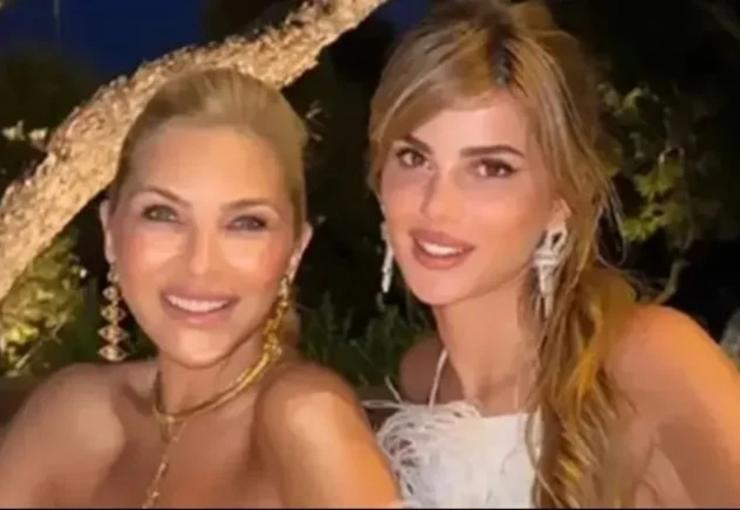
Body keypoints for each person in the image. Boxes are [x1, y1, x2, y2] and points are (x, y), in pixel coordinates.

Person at [365, 0, 740, 507]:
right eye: (414, 157)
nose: (437, 205)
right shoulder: (420, 377)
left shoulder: (646, 360)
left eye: (491, 168)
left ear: (561, 201)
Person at [0, 69, 399, 508]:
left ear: (294, 251)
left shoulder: (305, 418)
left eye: (246, 223)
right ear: (110, 231)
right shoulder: (72, 415)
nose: (200, 264)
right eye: (163, 215)